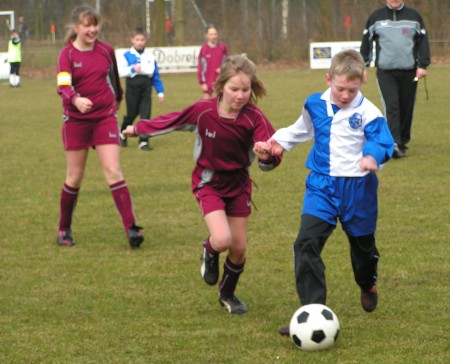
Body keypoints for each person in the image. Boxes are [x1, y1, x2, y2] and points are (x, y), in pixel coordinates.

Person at [124, 55, 282, 314]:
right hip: (209, 181)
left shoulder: (254, 117)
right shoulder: (204, 111)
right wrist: (138, 128)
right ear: (221, 86)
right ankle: (209, 250)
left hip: (240, 183)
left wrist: (266, 156)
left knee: (239, 248)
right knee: (222, 239)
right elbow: (172, 120)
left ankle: (227, 294)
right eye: (234, 89)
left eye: (245, 90)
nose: (240, 96)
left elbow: (271, 152)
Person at [253, 50, 394, 335]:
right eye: (340, 88)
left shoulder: (369, 113)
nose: (345, 95)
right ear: (328, 79)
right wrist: (274, 145)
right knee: (305, 243)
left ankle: (367, 283)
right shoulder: (314, 104)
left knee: (363, 251)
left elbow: (383, 141)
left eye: (351, 90)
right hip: (322, 187)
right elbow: (300, 129)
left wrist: (371, 156)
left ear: (363, 81)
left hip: (358, 189)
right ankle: (312, 312)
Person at [56, 4, 144, 249]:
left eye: (95, 24)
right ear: (76, 28)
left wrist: (114, 105)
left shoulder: (106, 50)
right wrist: (75, 99)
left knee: (114, 171)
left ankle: (131, 229)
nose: (93, 30)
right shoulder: (67, 55)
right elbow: (63, 85)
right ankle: (64, 229)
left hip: (104, 118)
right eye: (87, 25)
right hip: (76, 121)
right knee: (74, 176)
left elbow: (115, 82)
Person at [360, 0, 430, 159]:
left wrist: (423, 65)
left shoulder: (414, 16)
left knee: (407, 106)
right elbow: (366, 42)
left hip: (410, 71)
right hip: (386, 72)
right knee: (392, 106)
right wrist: (363, 66)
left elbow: (423, 41)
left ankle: (402, 141)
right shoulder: (376, 17)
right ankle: (394, 144)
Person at [118, 27, 165, 151]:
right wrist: (132, 69)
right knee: (132, 114)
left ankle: (143, 141)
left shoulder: (150, 56)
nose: (139, 42)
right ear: (132, 40)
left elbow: (155, 75)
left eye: (142, 40)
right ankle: (122, 133)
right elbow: (121, 72)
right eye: (137, 39)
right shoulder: (126, 55)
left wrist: (160, 91)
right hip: (132, 86)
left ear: (146, 41)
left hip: (146, 86)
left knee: (145, 114)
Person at [197, 24, 228, 99]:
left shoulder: (222, 47)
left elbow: (227, 62)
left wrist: (222, 68)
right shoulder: (204, 49)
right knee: (206, 104)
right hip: (208, 81)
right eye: (211, 34)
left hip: (220, 80)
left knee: (220, 104)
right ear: (206, 36)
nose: (214, 36)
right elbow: (201, 67)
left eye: (215, 34)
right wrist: (203, 83)